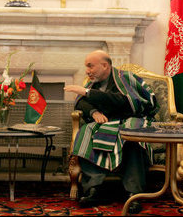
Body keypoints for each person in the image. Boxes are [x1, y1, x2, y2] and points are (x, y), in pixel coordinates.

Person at [64, 50, 159, 214]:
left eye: (90, 66)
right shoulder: (93, 82)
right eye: (86, 67)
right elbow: (80, 103)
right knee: (86, 132)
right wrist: (93, 112)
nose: (87, 71)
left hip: (129, 119)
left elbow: (123, 101)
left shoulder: (125, 78)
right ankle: (94, 189)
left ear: (105, 65)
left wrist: (87, 93)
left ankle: (134, 193)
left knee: (132, 135)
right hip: (106, 121)